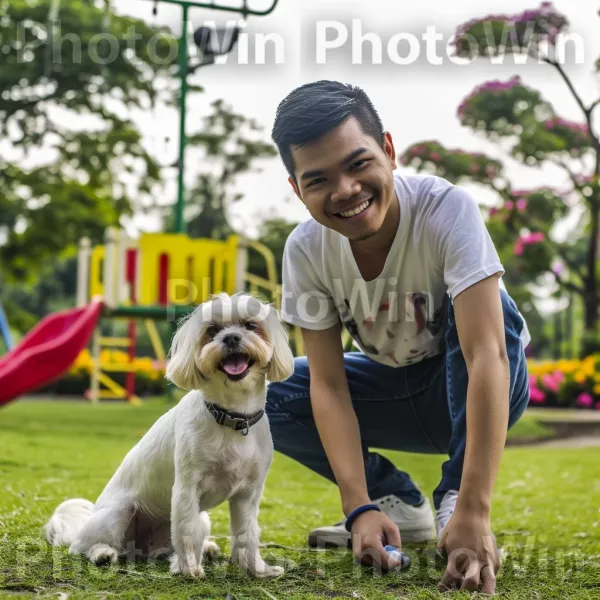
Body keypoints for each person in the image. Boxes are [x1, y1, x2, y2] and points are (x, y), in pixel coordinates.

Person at [265, 80, 531, 594]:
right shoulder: (305, 251)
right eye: (319, 179)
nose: (345, 190)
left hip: (470, 388)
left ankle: (454, 498)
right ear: (298, 190)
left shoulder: (445, 209)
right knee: (270, 390)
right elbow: (328, 387)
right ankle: (397, 505)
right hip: (390, 391)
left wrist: (473, 508)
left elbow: (487, 356)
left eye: (358, 164)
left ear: (388, 150)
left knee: (491, 309)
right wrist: (357, 506)